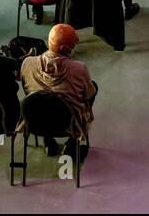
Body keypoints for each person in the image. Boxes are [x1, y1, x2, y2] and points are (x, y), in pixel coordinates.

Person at [20, 23, 97, 156]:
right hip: (67, 124)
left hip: (35, 120)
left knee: (42, 99)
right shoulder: (79, 69)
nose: (75, 44)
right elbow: (88, 95)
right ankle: (72, 144)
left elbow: (27, 91)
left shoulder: (27, 63)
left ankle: (48, 142)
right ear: (65, 48)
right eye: (74, 43)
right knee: (93, 86)